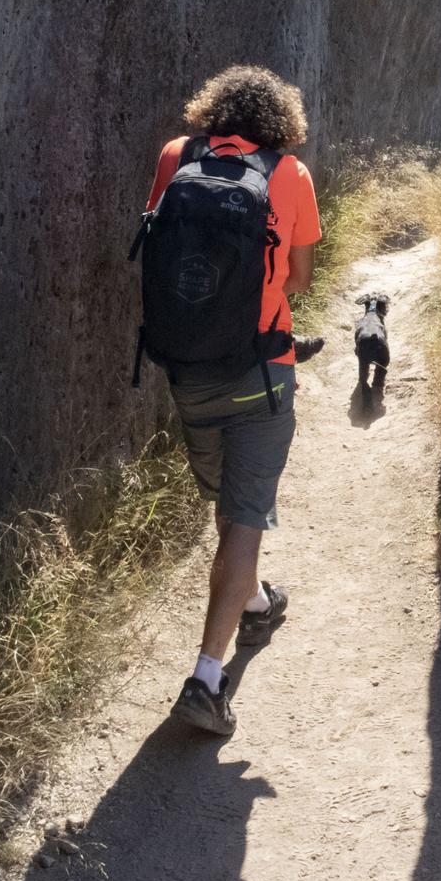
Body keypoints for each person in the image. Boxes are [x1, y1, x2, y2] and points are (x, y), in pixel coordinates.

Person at [142, 65, 322, 735]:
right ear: (281, 121)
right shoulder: (290, 174)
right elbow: (300, 279)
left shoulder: (175, 157)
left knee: (229, 500)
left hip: (188, 368)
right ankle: (206, 680)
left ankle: (251, 599)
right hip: (263, 370)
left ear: (212, 109)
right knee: (244, 516)